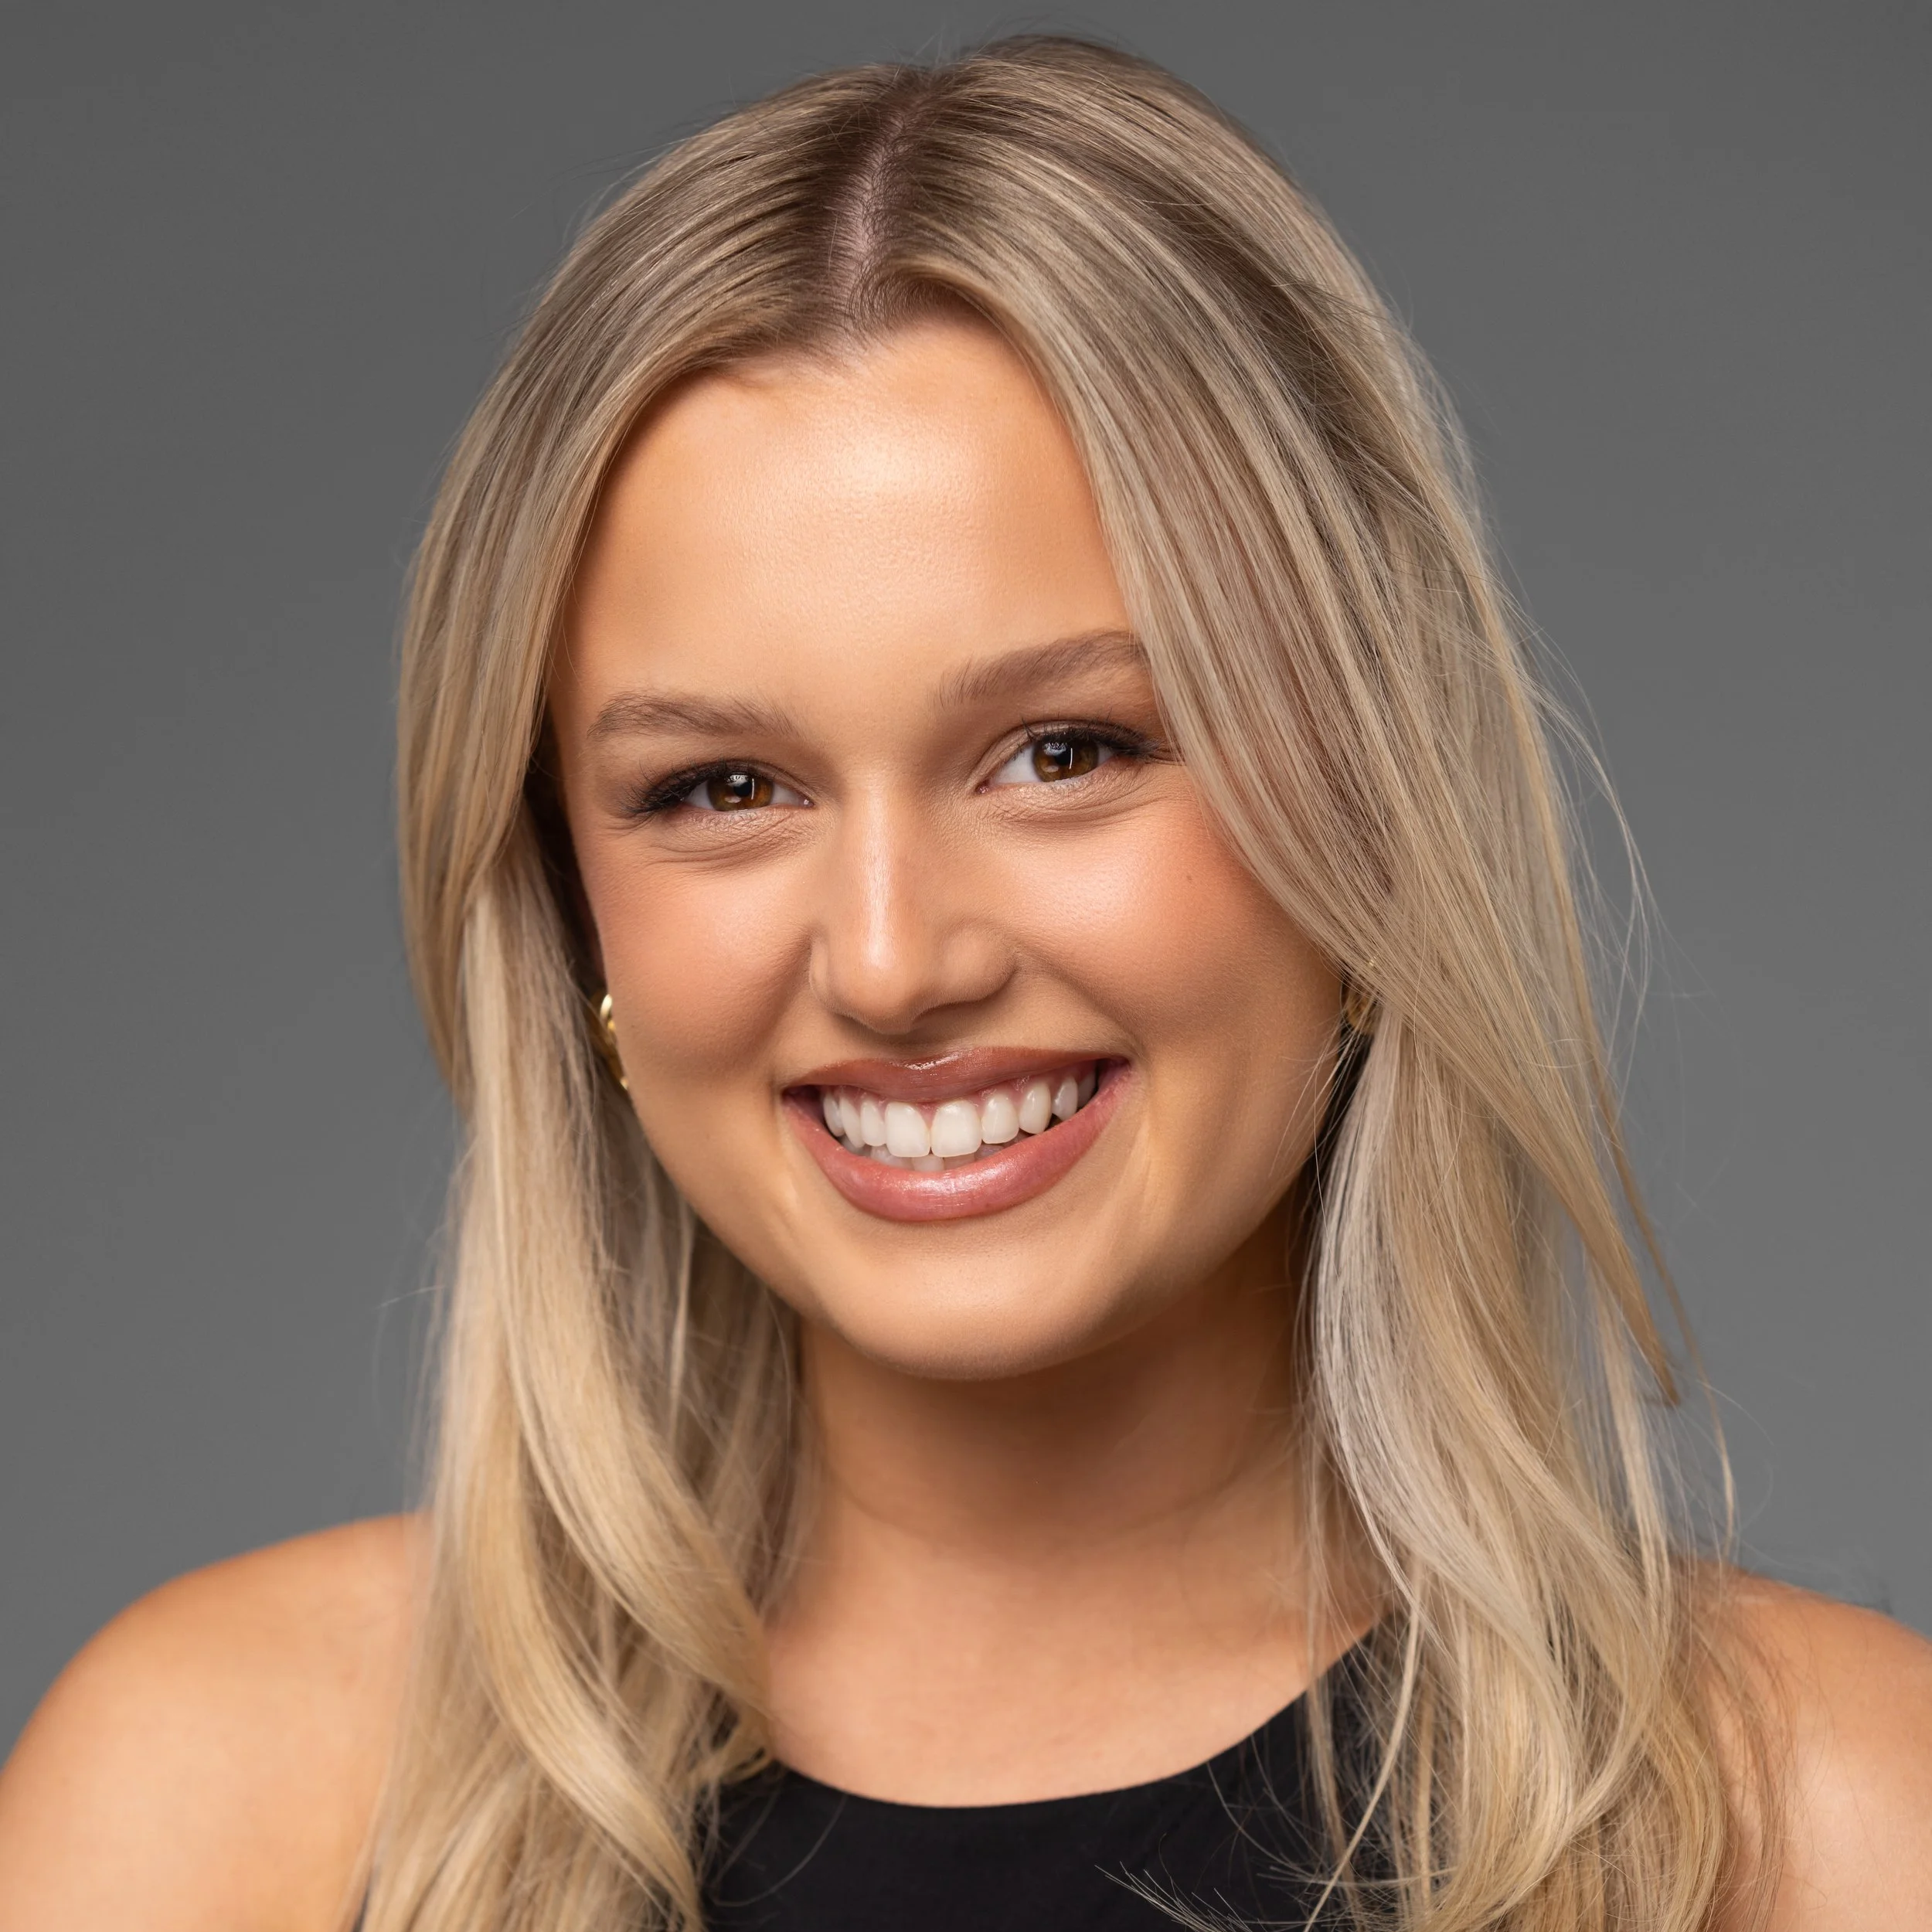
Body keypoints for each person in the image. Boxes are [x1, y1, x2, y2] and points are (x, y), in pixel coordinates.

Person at [1, 35, 1927, 1932]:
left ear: (1367, 816)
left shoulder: (1827, 1833)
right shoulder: (217, 1802)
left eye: (1063, 751)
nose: (892, 957)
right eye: (722, 787)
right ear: (574, 918)